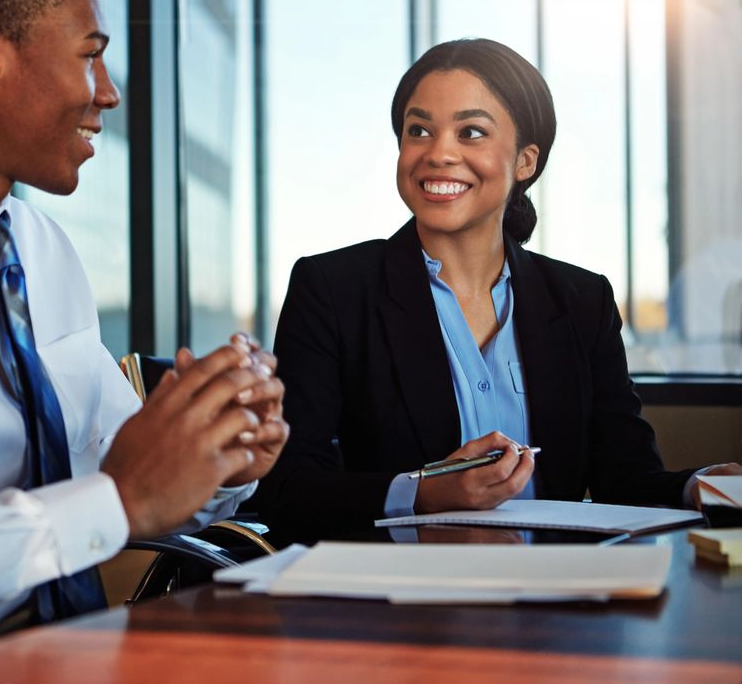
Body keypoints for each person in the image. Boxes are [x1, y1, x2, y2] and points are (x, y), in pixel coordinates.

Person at [0, 0, 288, 635]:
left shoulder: (40, 249)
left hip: (75, 650)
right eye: (89, 55)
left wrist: (218, 456)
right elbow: (117, 498)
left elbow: (127, 475)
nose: (109, 93)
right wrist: (120, 501)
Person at [257, 37, 740, 535]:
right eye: (419, 130)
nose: (439, 153)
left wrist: (699, 486)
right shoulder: (332, 290)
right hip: (402, 599)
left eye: (471, 132)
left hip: (559, 600)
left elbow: (626, 480)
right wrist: (420, 493)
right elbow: (285, 489)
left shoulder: (582, 301)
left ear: (525, 161)